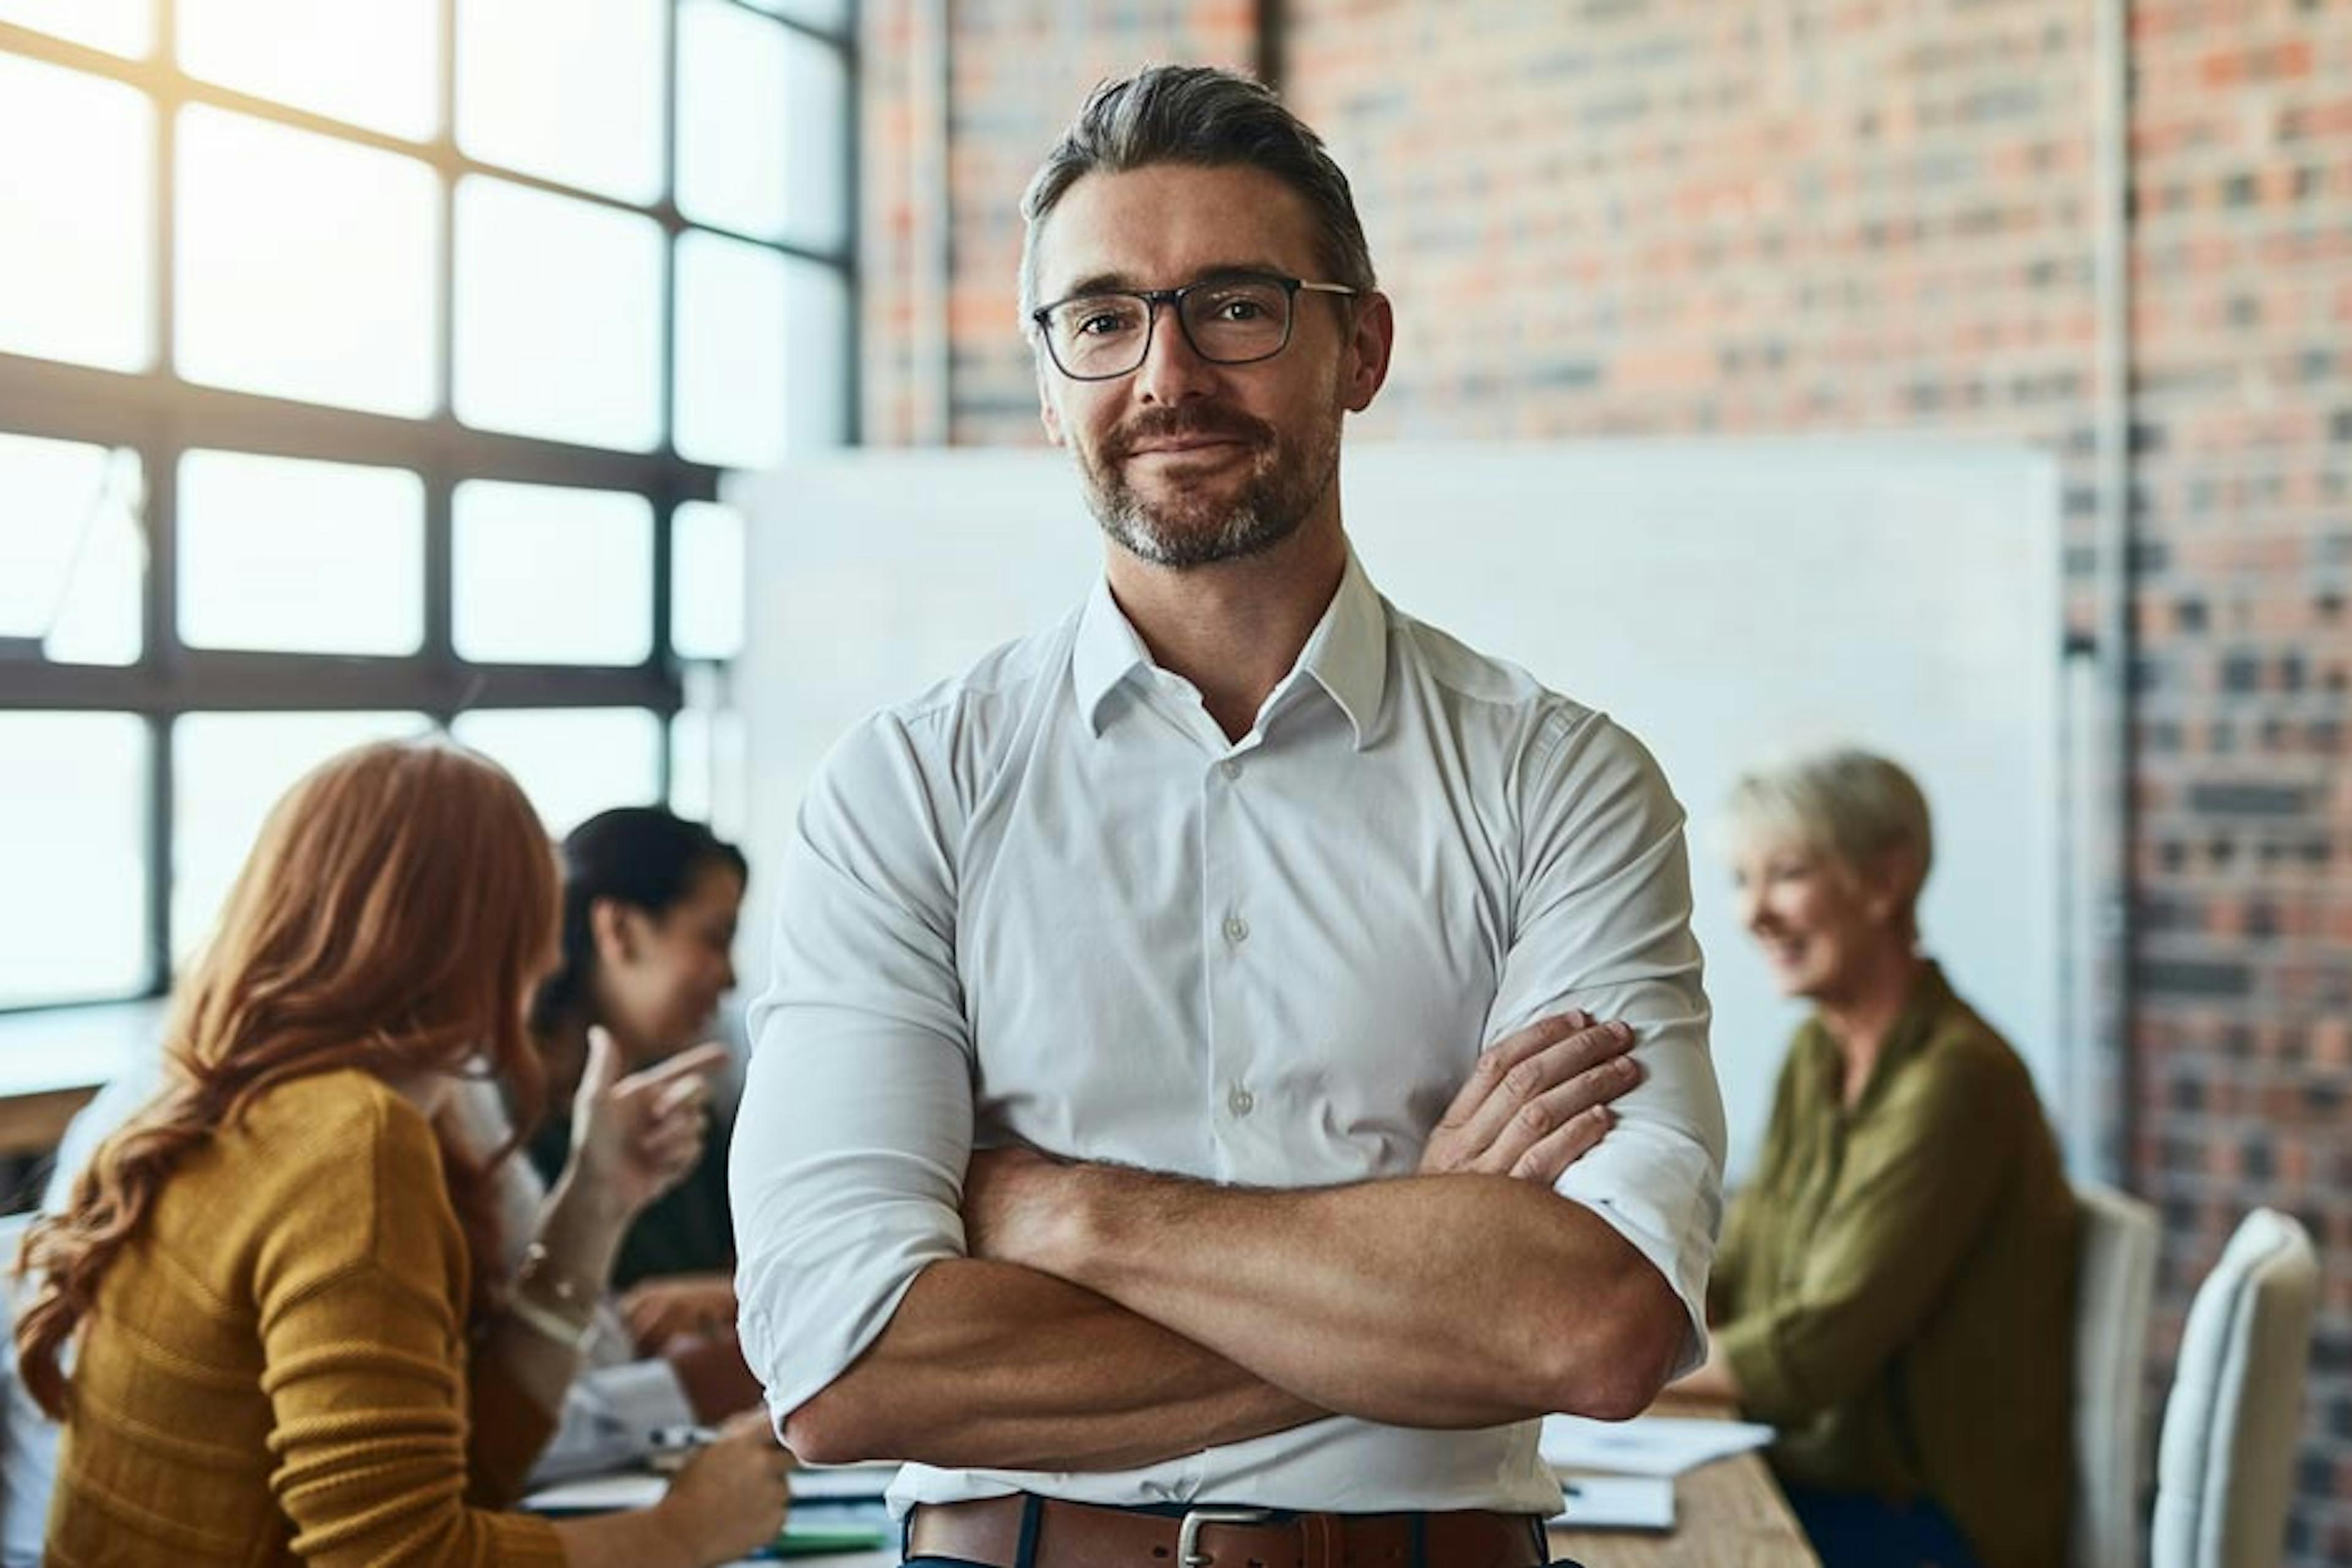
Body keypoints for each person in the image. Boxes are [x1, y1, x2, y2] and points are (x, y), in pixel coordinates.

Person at [731, 64, 1727, 1568]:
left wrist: (1064, 1214)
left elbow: (1589, 1320)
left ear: (1361, 344)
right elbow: (842, 1363)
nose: (1164, 375)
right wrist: (1420, 1245)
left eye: (1237, 306)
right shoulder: (906, 789)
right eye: (1101, 318)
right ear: (1049, 371)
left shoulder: (1560, 780)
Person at [17, 740, 791, 1567]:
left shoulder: (257, 1101)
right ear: (492, 933)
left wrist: (595, 1201)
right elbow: (397, 1555)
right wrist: (679, 1531)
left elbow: (460, 1476)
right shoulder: (353, 1140)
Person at [1676, 748, 2075, 1568]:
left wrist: (1592, 1367)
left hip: (1931, 1527)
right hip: (1823, 1481)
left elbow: (1813, 1354)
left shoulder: (1959, 1081)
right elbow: (1738, 1273)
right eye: (1740, 880)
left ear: (1886, 881)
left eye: (1785, 873)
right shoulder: (1815, 1058)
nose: (1754, 914)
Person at [526, 808, 756, 1406]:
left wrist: (728, 1295)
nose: (730, 977)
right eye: (714, 936)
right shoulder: (501, 1128)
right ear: (620, 930)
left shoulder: (694, 1115)